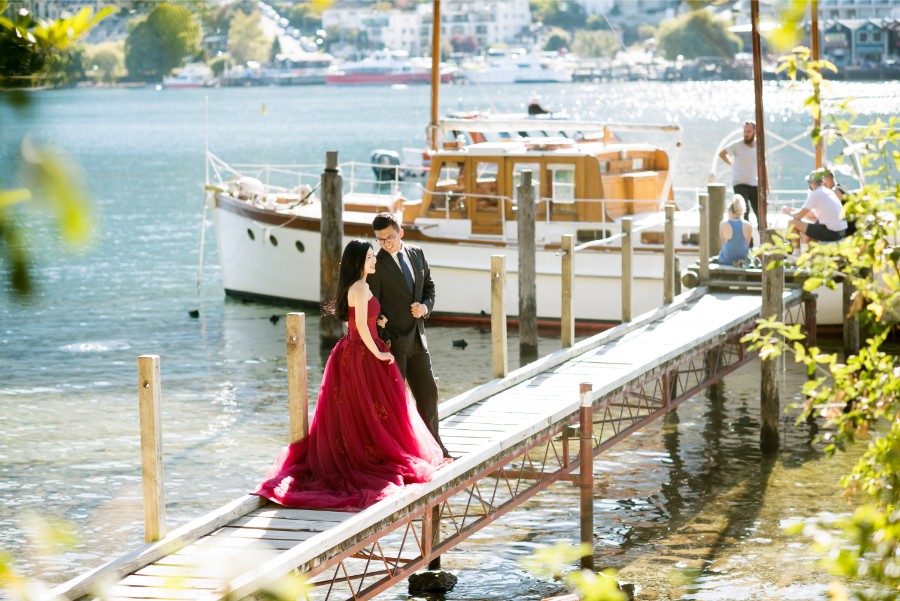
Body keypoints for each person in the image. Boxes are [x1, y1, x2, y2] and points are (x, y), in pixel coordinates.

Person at [253, 240, 447, 510]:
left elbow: (357, 320)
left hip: (357, 350)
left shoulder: (361, 286)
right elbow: (360, 330)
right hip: (361, 353)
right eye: (369, 257)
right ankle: (365, 457)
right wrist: (379, 353)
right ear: (358, 262)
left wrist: (376, 322)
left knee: (364, 409)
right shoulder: (359, 287)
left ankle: (371, 450)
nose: (374, 260)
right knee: (364, 408)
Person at [368, 213, 452, 459]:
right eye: (380, 240)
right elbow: (373, 304)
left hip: (418, 338)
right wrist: (383, 332)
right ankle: (397, 455)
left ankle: (436, 449)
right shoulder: (377, 264)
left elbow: (430, 287)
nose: (386, 244)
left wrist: (425, 307)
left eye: (390, 237)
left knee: (428, 394)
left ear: (400, 233)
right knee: (394, 403)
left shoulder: (417, 253)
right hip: (393, 342)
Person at [782, 169, 847, 252]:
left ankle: (796, 253)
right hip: (840, 231)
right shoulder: (828, 192)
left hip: (831, 232)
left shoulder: (816, 193)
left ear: (811, 183)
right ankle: (809, 257)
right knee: (811, 235)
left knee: (792, 222)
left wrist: (788, 212)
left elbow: (799, 215)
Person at [718, 121, 760, 223]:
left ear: (754, 131)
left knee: (760, 213)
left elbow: (763, 165)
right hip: (739, 183)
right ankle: (747, 239)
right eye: (745, 131)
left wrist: (766, 185)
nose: (746, 134)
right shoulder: (737, 145)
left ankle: (762, 237)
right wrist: (731, 163)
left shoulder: (759, 146)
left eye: (749, 131)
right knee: (744, 211)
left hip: (754, 183)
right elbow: (722, 153)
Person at [717, 194, 753, 267]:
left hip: (726, 260)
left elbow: (723, 242)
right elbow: (747, 244)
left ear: (729, 211)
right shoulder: (748, 225)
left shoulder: (723, 224)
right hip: (743, 260)